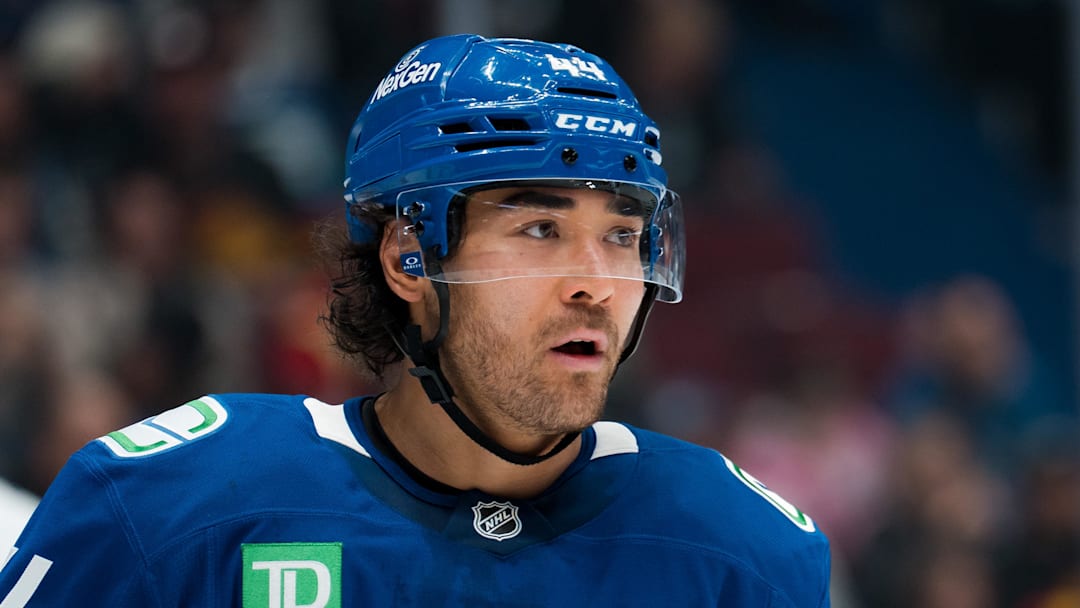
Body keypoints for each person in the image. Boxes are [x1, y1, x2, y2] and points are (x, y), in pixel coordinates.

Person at [0, 34, 830, 606]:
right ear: (408, 257)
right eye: (540, 230)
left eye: (620, 235)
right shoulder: (167, 510)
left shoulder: (742, 553)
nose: (595, 284)